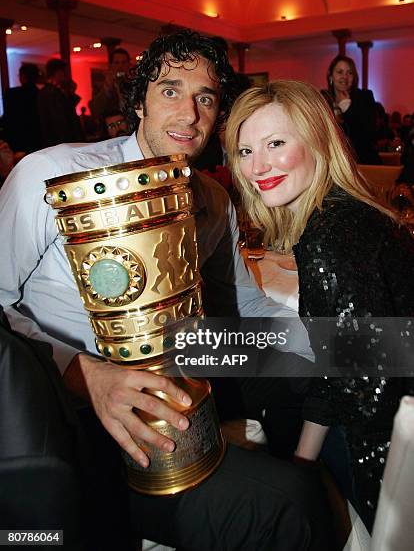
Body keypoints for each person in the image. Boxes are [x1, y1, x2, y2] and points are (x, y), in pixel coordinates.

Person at [0, 31, 334, 550]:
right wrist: (85, 374)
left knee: (332, 372)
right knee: (290, 505)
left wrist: (328, 336)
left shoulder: (212, 195)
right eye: (171, 91)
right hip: (78, 411)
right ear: (138, 102)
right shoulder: (51, 174)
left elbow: (241, 301)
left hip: (190, 366)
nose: (189, 115)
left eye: (206, 97)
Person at [225, 79, 414, 532]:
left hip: (389, 446)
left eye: (275, 143)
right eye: (245, 151)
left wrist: (309, 469)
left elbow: (365, 392)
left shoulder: (332, 234)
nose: (258, 166)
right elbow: (348, 364)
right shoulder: (341, 214)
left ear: (317, 141)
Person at [322, 55, 380, 165]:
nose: (345, 77)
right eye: (340, 72)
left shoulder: (365, 96)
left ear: (354, 78)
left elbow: (369, 135)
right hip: (334, 164)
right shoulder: (324, 99)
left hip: (363, 163)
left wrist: (347, 109)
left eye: (349, 73)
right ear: (331, 76)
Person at [38, 58, 83, 146]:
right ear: (58, 72)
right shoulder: (53, 93)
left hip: (56, 142)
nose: (65, 76)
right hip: (62, 143)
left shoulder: (46, 92)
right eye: (64, 72)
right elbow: (62, 120)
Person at [2, 62, 42, 154]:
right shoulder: (41, 94)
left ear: (23, 76)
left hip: (17, 139)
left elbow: (8, 118)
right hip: (37, 138)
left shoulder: (12, 94)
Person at [90, 47, 131, 129]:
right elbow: (95, 111)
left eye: (124, 62)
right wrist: (107, 87)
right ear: (111, 65)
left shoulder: (134, 85)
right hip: (110, 131)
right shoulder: (100, 86)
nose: (120, 66)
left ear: (128, 65)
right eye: (116, 63)